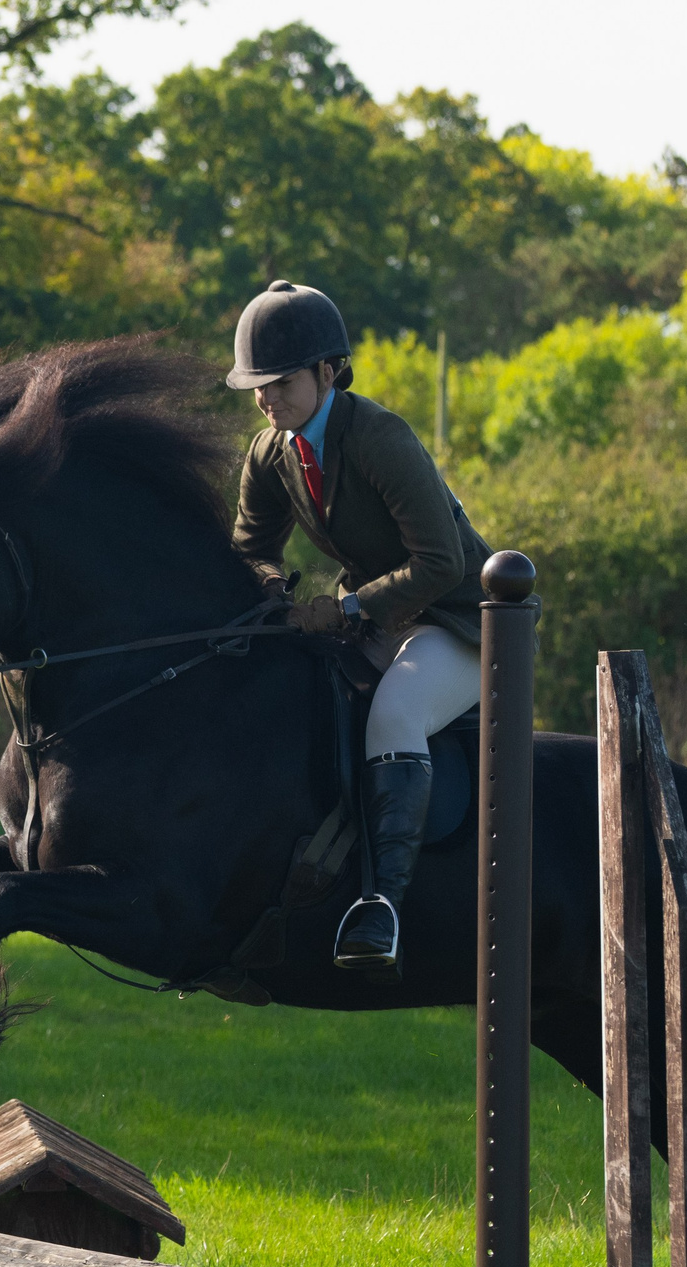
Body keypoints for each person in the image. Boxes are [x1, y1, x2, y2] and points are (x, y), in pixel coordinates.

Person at [227, 279, 494, 982]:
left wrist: (344, 611)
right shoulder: (271, 452)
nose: (267, 398)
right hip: (381, 618)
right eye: (257, 386)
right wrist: (272, 589)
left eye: (281, 382)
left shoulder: (379, 436)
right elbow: (250, 548)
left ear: (328, 372)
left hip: (461, 619)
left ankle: (382, 908)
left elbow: (439, 563)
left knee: (396, 713)